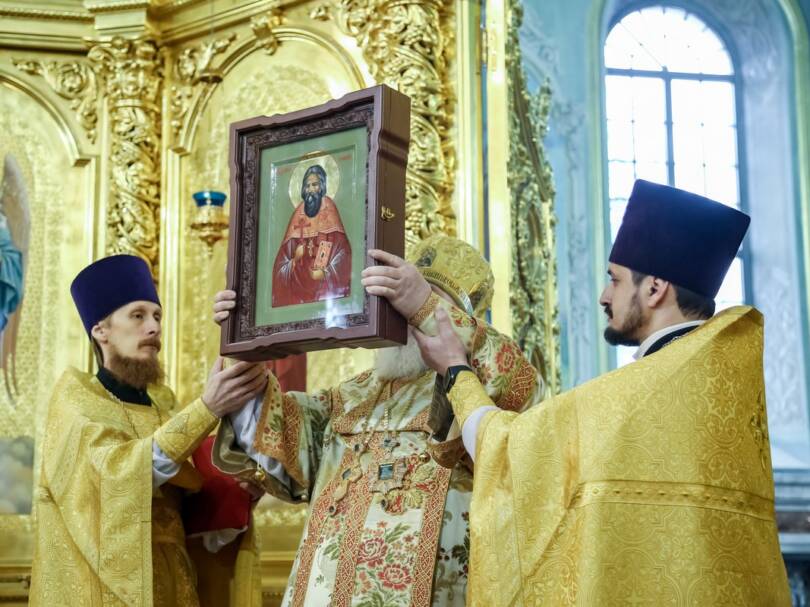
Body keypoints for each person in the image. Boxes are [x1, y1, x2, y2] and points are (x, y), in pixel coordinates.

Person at [412, 180, 791, 606]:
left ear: (655, 288)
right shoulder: (723, 388)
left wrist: (456, 370)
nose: (604, 296)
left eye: (615, 280)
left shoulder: (637, 395)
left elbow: (510, 453)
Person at [210, 234, 545, 606]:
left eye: (424, 301)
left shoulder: (477, 388)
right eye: (397, 298)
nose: (406, 314)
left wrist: (423, 304)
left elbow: (518, 387)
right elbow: (277, 438)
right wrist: (244, 339)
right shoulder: (349, 397)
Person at [29, 254, 268, 607]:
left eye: (157, 316)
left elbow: (196, 515)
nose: (154, 328)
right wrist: (206, 409)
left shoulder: (163, 407)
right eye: (138, 316)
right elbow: (115, 479)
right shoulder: (76, 402)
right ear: (101, 330)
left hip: (175, 584)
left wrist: (237, 494)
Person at [272, 164, 352, 307]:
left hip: (325, 296)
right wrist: (295, 260)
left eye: (315, 185)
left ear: (322, 187)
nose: (310, 189)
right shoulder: (298, 214)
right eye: (307, 186)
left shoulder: (329, 210)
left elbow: (344, 254)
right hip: (297, 296)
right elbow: (279, 270)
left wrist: (325, 273)